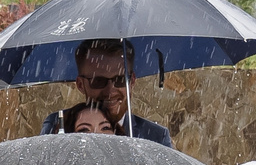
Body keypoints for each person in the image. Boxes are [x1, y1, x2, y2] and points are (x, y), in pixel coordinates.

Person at [38, 39, 173, 145]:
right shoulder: (59, 125)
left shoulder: (155, 136)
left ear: (131, 81)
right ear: (80, 84)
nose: (110, 91)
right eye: (98, 81)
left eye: (119, 79)